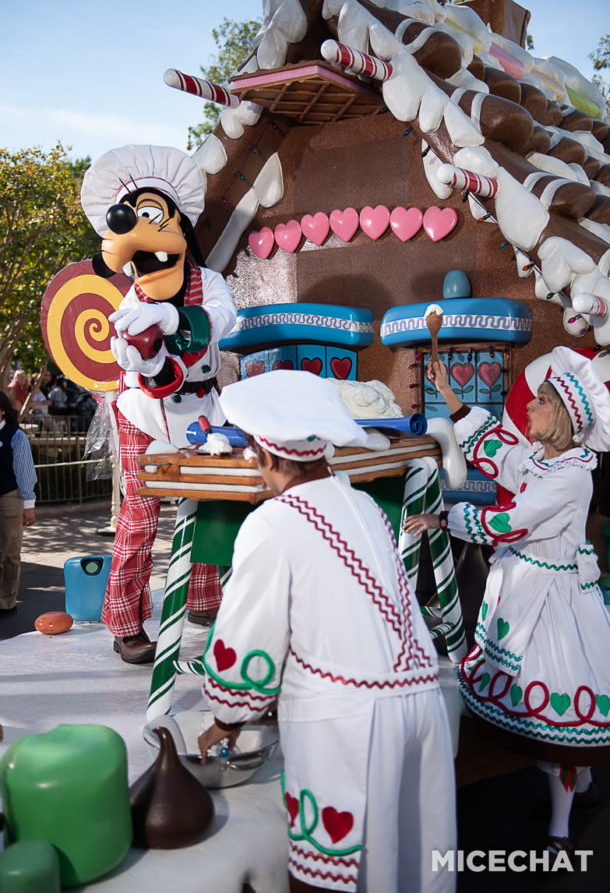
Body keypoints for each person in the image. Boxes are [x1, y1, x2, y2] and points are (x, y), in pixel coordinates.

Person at [197, 370, 456, 893]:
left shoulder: (272, 523)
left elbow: (251, 634)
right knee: (411, 858)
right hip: (422, 701)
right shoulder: (363, 505)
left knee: (341, 874)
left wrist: (228, 717)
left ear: (269, 457)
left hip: (350, 720)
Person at [404, 347, 610, 859]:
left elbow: (509, 522)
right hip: (525, 592)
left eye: (539, 403)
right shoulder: (543, 460)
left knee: (556, 724)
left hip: (554, 608)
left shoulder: (571, 476)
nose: (528, 411)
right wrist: (449, 392)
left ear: (561, 416)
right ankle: (581, 790)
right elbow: (498, 449)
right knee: (551, 722)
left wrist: (442, 519)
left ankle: (560, 833)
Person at [80, 144, 237, 664]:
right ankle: (126, 623)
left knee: (207, 504)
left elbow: (224, 318)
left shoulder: (208, 281)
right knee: (141, 515)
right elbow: (121, 350)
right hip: (143, 414)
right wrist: (134, 353)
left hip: (201, 412)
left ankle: (203, 598)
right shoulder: (133, 295)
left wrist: (180, 323)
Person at [0, 391, 37, 615]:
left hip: (9, 497)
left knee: (9, 552)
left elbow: (25, 472)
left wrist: (29, 505)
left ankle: (6, 601)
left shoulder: (15, 436)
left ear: (2, 410)